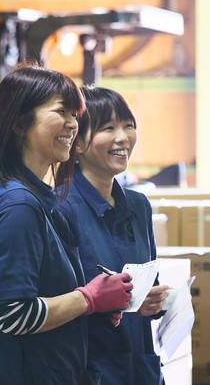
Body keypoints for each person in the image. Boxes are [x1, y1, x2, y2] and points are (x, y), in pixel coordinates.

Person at [0, 62, 134, 385]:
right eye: (61, 112)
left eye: (74, 115)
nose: (72, 125)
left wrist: (94, 305)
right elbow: (13, 313)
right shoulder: (18, 206)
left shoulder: (36, 198)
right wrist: (88, 298)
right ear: (19, 124)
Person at [57, 86, 170, 384]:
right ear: (77, 143)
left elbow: (147, 282)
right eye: (108, 128)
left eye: (128, 125)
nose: (123, 137)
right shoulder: (60, 208)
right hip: (91, 369)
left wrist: (154, 301)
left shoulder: (138, 206)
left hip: (140, 367)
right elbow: (57, 305)